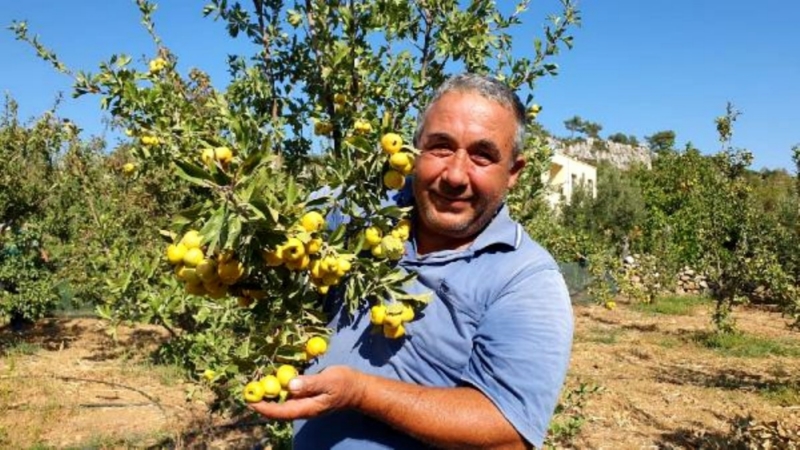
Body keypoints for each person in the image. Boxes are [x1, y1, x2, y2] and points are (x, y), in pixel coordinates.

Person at [250, 73, 574, 449]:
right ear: (414, 149)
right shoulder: (363, 214)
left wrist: (359, 393)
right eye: (440, 147)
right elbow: (285, 228)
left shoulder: (525, 280)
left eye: (482, 156)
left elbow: (507, 434)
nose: (455, 175)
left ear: (514, 172)